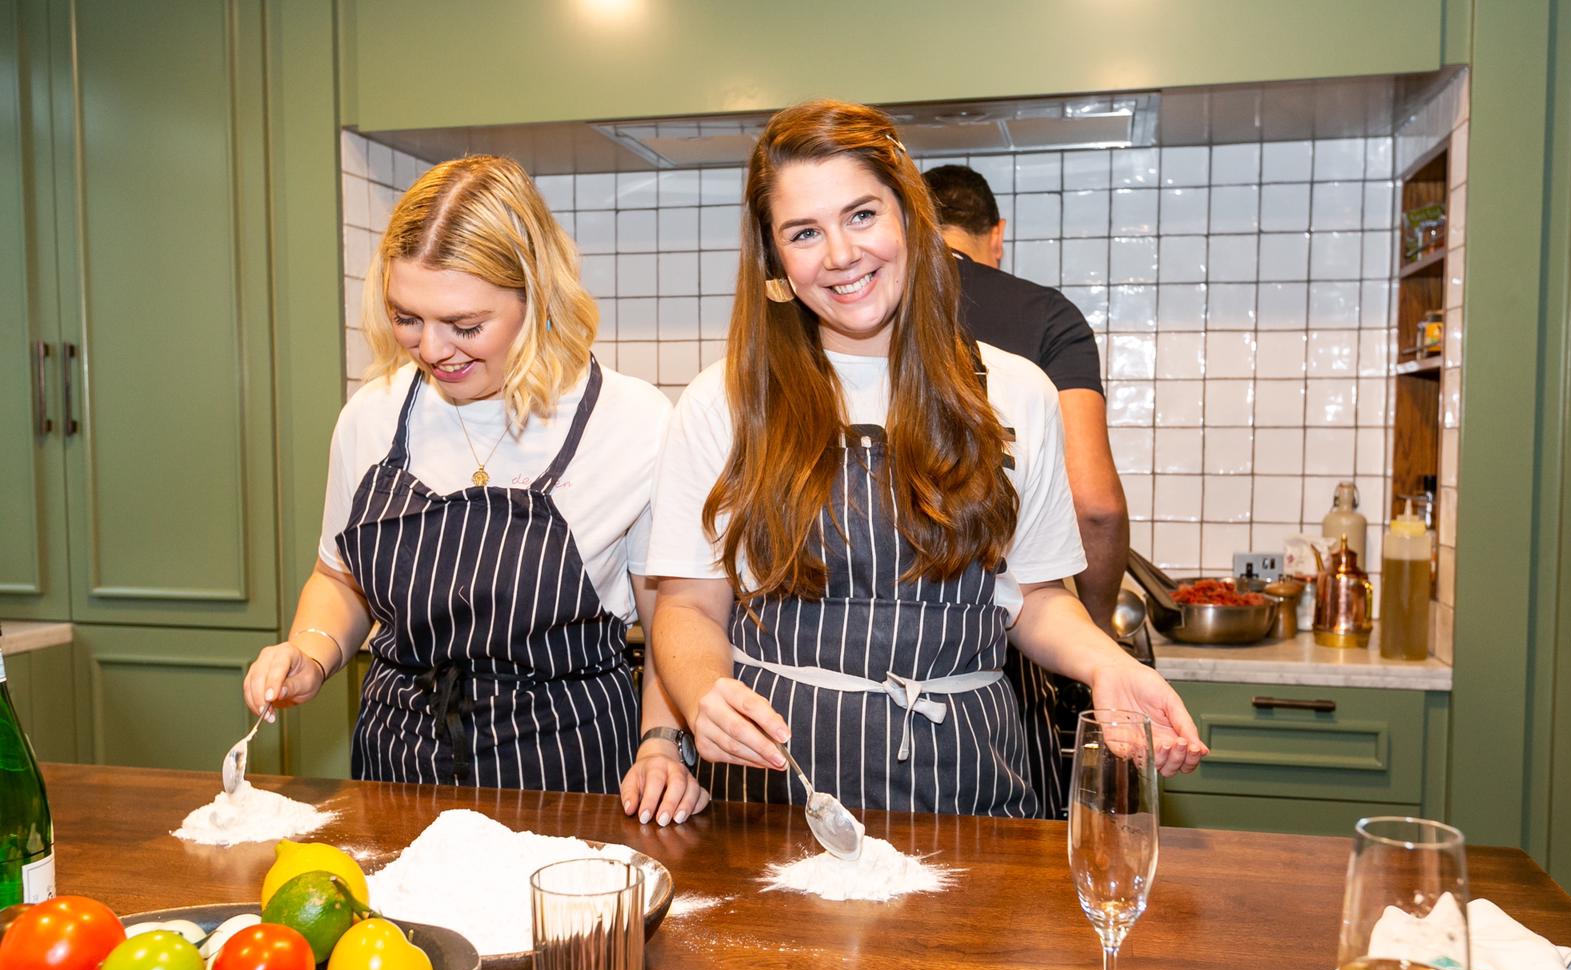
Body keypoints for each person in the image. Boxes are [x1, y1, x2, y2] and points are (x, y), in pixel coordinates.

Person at [648, 101, 1204, 818]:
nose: (841, 255)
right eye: (804, 232)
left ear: (907, 216)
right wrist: (700, 697)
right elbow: (689, 604)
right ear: (775, 258)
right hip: (780, 793)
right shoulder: (723, 401)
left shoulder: (1013, 391)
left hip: (968, 784)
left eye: (861, 215)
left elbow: (1034, 599)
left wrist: (1108, 663)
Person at [242, 155, 706, 826]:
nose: (431, 350)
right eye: (407, 318)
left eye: (465, 326)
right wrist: (309, 651)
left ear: (536, 296)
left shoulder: (632, 423)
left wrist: (663, 743)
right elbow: (337, 577)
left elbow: (671, 620)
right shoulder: (372, 417)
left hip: (568, 769)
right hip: (398, 767)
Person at [924, 162, 1131, 817]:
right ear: (997, 234)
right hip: (1005, 658)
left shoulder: (856, 315)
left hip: (846, 696)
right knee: (1013, 886)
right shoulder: (1046, 316)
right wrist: (1097, 631)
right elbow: (1094, 504)